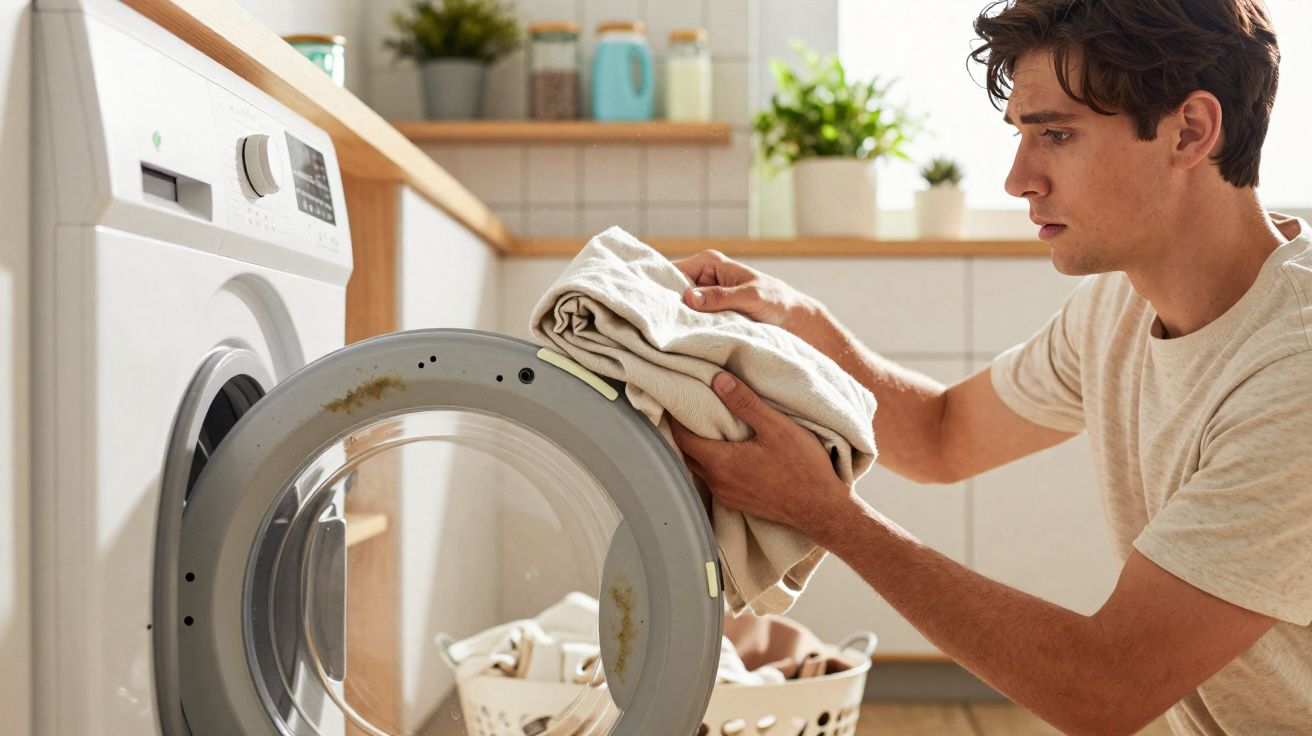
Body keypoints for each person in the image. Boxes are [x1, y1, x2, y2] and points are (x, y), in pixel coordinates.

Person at [670, 0, 1312, 733]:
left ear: (1190, 131)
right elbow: (942, 436)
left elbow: (1106, 688)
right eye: (1021, 136)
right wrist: (796, 316)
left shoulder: (1295, 370)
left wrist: (826, 514)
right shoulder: (1117, 306)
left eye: (1057, 135)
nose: (1017, 179)